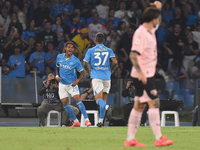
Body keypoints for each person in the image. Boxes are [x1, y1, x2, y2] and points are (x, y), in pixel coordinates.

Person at [124, 1, 174, 147]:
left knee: (139, 106)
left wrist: (158, 8)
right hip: (143, 75)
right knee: (154, 102)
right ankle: (158, 137)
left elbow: (155, 21)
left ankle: (130, 139)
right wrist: (140, 73)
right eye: (157, 18)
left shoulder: (150, 30)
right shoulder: (140, 33)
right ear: (153, 20)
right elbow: (133, 55)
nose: (158, 21)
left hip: (147, 73)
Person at [83, 32, 118, 127]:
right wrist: (112, 69)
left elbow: (85, 63)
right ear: (104, 40)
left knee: (97, 99)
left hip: (97, 77)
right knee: (104, 98)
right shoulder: (108, 50)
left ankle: (107, 107)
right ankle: (101, 121)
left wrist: (87, 70)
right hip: (107, 77)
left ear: (95, 40)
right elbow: (115, 62)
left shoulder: (91, 50)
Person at [56, 41, 91, 127]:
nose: (70, 49)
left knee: (77, 99)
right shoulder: (59, 57)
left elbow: (82, 73)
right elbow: (57, 67)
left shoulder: (76, 60)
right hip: (62, 84)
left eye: (72, 47)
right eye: (69, 47)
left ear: (73, 49)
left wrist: (77, 81)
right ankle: (76, 122)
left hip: (72, 84)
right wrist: (57, 76)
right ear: (65, 48)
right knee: (65, 103)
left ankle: (87, 120)